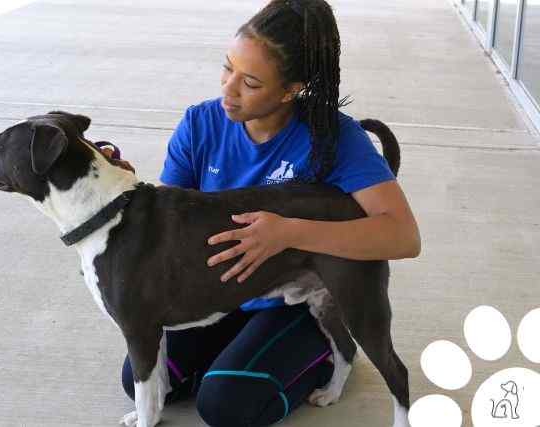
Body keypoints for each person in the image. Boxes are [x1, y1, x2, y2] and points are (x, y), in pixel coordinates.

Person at [118, 0, 421, 425]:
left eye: (251, 82)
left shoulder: (334, 137)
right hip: (218, 291)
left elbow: (403, 237)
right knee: (141, 376)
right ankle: (242, 352)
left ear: (291, 89)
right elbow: (164, 227)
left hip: (295, 298)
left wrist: (289, 232)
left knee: (226, 404)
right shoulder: (200, 123)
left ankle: (333, 349)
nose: (228, 90)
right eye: (228, 68)